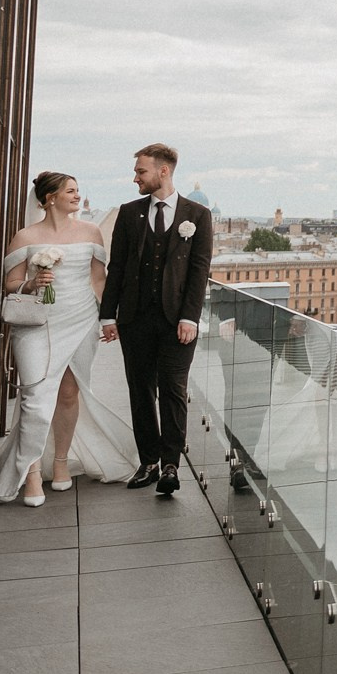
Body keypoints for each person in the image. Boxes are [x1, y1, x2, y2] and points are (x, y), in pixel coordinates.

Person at [0, 172, 135, 504]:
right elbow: (10, 284)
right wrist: (31, 283)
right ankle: (30, 474)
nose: (77, 195)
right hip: (37, 325)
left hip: (81, 321)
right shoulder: (25, 237)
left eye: (77, 190)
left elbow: (99, 280)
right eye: (70, 191)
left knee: (69, 394)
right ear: (50, 198)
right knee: (36, 398)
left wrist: (108, 318)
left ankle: (60, 462)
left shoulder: (91, 232)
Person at [99, 143, 213, 496]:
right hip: (135, 319)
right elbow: (117, 267)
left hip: (177, 322)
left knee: (173, 390)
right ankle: (148, 462)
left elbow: (199, 272)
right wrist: (108, 315)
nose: (136, 178)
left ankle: (170, 465)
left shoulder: (198, 215)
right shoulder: (129, 213)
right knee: (140, 390)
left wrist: (190, 317)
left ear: (163, 171)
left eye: (141, 171)